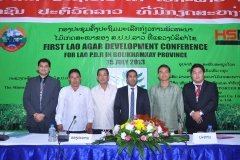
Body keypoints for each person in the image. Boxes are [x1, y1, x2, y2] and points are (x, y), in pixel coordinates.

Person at [23, 58, 60, 133]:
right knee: (32, 144)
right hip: (33, 120)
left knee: (48, 144)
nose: (43, 68)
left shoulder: (55, 82)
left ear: (49, 69)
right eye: (41, 66)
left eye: (46, 66)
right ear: (38, 68)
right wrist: (35, 114)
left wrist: (43, 114)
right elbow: (26, 99)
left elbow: (55, 100)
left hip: (48, 121)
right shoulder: (30, 82)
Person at [55, 69, 94, 134]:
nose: (75, 80)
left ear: (80, 78)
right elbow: (60, 108)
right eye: (72, 77)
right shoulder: (64, 91)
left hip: (83, 126)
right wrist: (58, 122)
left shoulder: (86, 90)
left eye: (77, 77)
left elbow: (90, 108)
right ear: (69, 79)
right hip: (66, 127)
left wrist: (90, 122)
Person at [183, 63, 218, 134]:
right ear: (191, 75)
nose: (197, 75)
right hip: (192, 125)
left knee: (209, 145)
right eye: (194, 73)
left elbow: (213, 102)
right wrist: (192, 113)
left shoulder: (211, 86)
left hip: (208, 125)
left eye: (199, 72)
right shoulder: (187, 87)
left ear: (204, 73)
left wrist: (200, 113)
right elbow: (184, 102)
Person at [149, 64, 184, 134]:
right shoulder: (153, 89)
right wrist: (150, 126)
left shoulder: (176, 88)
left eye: (166, 72)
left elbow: (180, 107)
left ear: (169, 74)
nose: (164, 74)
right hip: (157, 128)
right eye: (161, 72)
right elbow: (150, 108)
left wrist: (180, 125)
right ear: (158, 75)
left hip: (173, 126)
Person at [91, 68, 117, 134]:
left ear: (108, 77)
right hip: (96, 127)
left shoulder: (115, 90)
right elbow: (90, 109)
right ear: (97, 77)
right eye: (100, 75)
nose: (102, 77)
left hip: (111, 127)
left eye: (104, 75)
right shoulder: (93, 91)